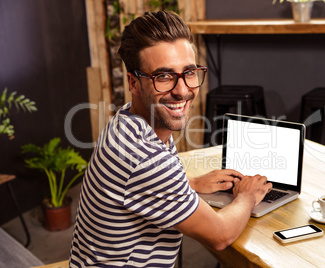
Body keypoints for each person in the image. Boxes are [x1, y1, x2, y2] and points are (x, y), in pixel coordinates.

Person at [69, 11, 272, 267]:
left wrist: (191, 183)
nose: (182, 90)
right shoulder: (144, 155)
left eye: (188, 73)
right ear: (133, 82)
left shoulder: (128, 122)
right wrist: (248, 196)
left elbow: (137, 182)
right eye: (163, 77)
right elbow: (220, 235)